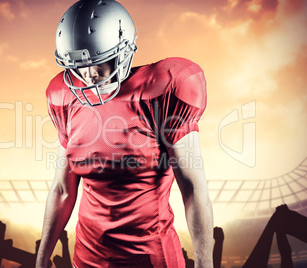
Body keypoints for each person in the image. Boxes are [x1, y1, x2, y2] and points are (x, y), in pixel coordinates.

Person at [36, 0, 213, 267]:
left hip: (150, 258)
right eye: (78, 65)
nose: (88, 74)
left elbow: (192, 186)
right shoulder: (65, 98)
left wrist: (204, 264)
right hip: (86, 259)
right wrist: (41, 260)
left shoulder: (161, 90)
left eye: (99, 61)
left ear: (124, 49)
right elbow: (62, 189)